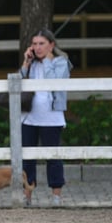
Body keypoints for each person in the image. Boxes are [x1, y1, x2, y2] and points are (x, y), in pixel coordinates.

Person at [19, 28, 73, 207]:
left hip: (52, 117)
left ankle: (56, 196)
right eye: (34, 44)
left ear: (51, 45)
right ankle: (27, 196)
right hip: (29, 118)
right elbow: (16, 81)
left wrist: (48, 60)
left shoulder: (61, 62)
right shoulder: (32, 63)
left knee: (53, 157)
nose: (37, 47)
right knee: (28, 157)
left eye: (42, 44)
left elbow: (53, 83)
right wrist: (26, 63)